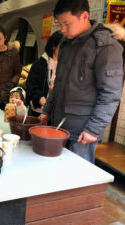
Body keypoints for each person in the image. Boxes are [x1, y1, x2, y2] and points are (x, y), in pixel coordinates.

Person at [39, 0, 124, 163]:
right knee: (55, 170)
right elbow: (59, 83)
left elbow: (110, 93)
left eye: (66, 23)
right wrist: (47, 110)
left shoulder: (105, 46)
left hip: (83, 130)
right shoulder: (65, 44)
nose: (62, 30)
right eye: (59, 24)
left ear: (84, 16)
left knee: (77, 178)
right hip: (59, 123)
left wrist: (93, 129)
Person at [26, 31, 64, 117]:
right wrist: (39, 97)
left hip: (56, 111)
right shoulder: (40, 64)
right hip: (39, 109)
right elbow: (30, 85)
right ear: (54, 47)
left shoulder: (64, 64)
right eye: (62, 47)